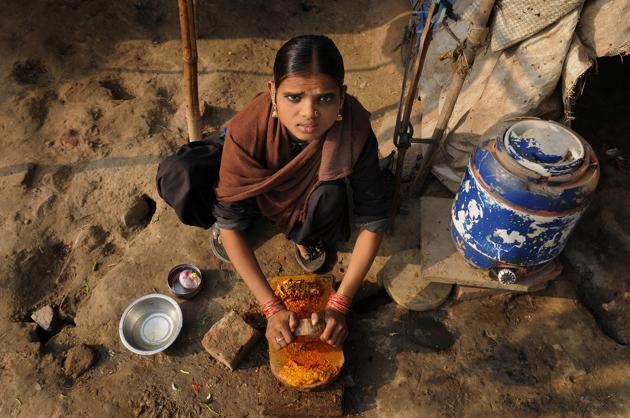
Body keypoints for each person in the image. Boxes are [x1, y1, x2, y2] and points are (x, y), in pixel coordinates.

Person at [212, 35, 389, 350]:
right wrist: (272, 308)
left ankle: (306, 237)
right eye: (294, 97)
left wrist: (339, 305)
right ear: (272, 93)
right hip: (257, 196)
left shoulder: (355, 130)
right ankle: (247, 220)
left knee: (330, 196)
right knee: (182, 177)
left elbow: (373, 221)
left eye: (324, 99)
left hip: (312, 197)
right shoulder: (246, 130)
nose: (309, 113)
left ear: (342, 97)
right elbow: (228, 222)